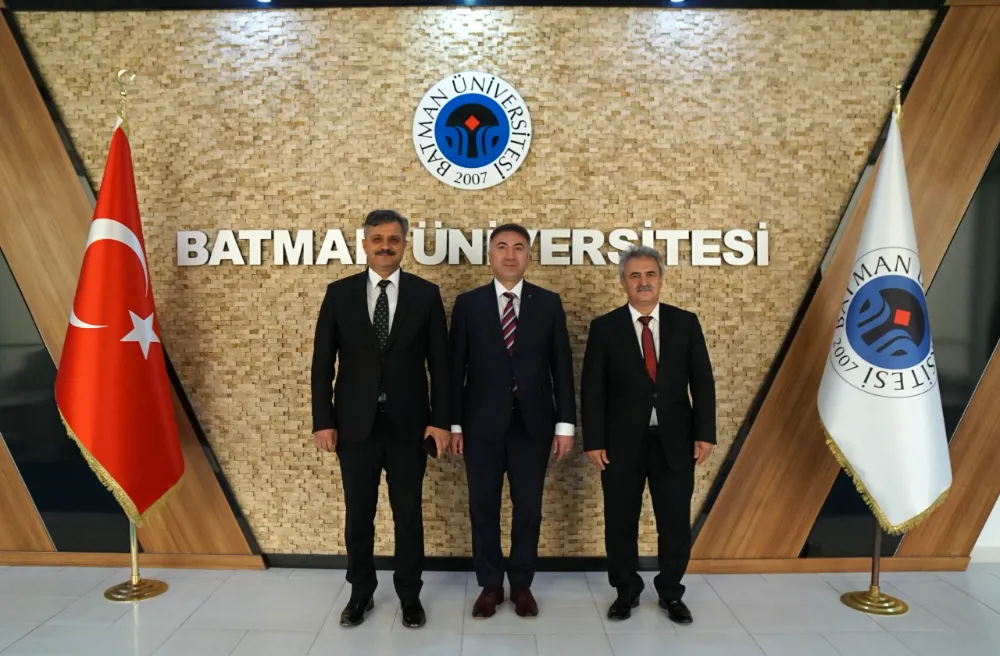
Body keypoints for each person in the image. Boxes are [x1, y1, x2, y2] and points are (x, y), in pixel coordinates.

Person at [310, 209, 450, 629]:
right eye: (377, 239)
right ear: (365, 244)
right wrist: (323, 420)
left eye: (393, 239)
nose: (385, 246)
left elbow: (441, 365)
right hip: (355, 426)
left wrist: (440, 420)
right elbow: (322, 363)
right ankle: (360, 593)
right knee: (359, 515)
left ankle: (410, 595)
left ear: (404, 244)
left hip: (410, 426)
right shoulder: (339, 294)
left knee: (408, 515)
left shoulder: (426, 294)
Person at [581, 244, 716, 624]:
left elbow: (702, 381)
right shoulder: (604, 328)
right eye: (635, 275)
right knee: (620, 522)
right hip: (620, 444)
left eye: (650, 274)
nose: (643, 282)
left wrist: (705, 433)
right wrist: (594, 440)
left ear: (661, 279)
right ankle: (626, 591)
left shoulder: (685, 323)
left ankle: (671, 592)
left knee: (674, 523)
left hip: (676, 442)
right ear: (623, 282)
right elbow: (592, 389)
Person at [448, 223, 576, 619]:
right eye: (502, 246)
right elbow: (454, 370)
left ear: (528, 257)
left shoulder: (548, 303)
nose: (510, 254)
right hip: (480, 426)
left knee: (529, 509)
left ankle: (521, 584)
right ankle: (490, 585)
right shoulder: (468, 304)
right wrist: (454, 424)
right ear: (489, 255)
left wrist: (565, 425)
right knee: (483, 507)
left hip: (533, 426)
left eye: (518, 247)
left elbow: (562, 367)